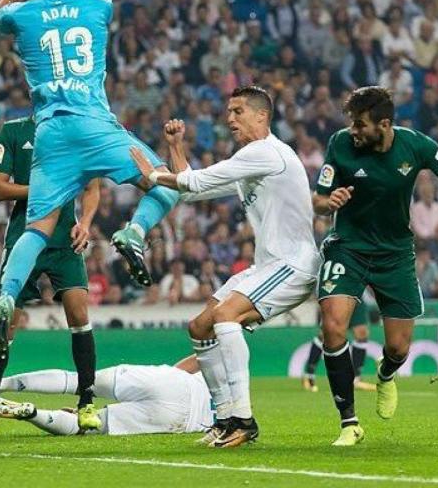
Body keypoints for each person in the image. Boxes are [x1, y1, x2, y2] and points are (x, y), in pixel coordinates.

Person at [0, 0, 179, 362]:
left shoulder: (23, 13)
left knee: (37, 228)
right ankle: (134, 232)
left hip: (52, 133)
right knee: (167, 181)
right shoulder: (96, 7)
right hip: (95, 126)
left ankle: (6, 298)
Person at [315, 86, 438, 446]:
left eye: (360, 125)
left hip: (394, 254)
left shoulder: (414, 145)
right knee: (332, 327)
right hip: (348, 247)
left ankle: (385, 375)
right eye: (351, 124)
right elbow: (318, 199)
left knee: (398, 348)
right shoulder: (340, 144)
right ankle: (349, 422)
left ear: (385, 124)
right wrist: (329, 201)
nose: (353, 132)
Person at [131, 86, 321, 448]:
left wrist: (154, 176)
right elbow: (191, 191)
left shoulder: (267, 153)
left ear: (261, 116)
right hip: (267, 266)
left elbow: (193, 181)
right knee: (200, 325)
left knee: (226, 317)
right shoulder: (251, 160)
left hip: (293, 264)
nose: (229, 118)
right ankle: (223, 418)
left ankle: (243, 419)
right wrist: (175, 147)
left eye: (238, 111)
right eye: (228, 111)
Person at [0, 116, 102, 437]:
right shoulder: (14, 131)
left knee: (79, 312)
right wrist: (45, 190)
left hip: (65, 239)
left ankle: (87, 401)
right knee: (5, 322)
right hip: (24, 236)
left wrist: (85, 222)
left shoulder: (76, 131)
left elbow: (92, 187)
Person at [0, 355, 213, 436]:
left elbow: (201, 359)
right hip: (183, 419)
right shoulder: (236, 413)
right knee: (86, 426)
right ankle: (32, 413)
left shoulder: (226, 371)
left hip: (175, 381)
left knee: (78, 380)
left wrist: (169, 376)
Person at [302, 296, 376, 393]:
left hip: (357, 292)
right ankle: (309, 375)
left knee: (361, 333)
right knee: (326, 333)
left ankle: (356, 379)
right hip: (338, 292)